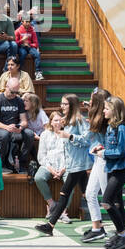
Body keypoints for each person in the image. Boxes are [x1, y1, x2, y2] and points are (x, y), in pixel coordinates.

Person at [36, 94, 93, 234]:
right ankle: (50, 226)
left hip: (78, 164)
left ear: (72, 105)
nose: (62, 106)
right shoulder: (68, 121)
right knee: (84, 194)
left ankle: (101, 226)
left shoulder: (79, 121)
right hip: (73, 163)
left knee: (67, 194)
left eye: (65, 104)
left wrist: (69, 136)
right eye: (61, 104)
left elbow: (86, 140)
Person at [99, 96, 125, 249]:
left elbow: (122, 151)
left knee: (106, 201)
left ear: (114, 110)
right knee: (118, 203)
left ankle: (123, 234)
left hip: (120, 169)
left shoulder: (121, 128)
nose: (103, 111)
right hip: (111, 168)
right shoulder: (110, 127)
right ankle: (121, 236)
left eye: (106, 108)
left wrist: (105, 153)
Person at [82, 88, 110, 237]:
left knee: (108, 197)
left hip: (104, 159)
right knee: (90, 193)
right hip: (98, 159)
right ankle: (97, 227)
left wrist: (69, 136)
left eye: (92, 99)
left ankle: (121, 231)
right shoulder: (99, 116)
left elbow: (87, 136)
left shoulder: (103, 119)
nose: (89, 101)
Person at [0, 78, 29, 173]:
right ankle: (1, 164)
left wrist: (20, 126)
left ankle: (22, 163)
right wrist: (6, 127)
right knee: (4, 135)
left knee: (29, 134)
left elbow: (24, 121)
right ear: (6, 87)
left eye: (16, 92)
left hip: (14, 129)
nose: (14, 95)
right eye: (12, 92)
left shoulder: (19, 101)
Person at [34, 110, 68, 215]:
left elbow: (70, 156)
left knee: (70, 181)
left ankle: (63, 212)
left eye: (60, 120)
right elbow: (42, 156)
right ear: (51, 122)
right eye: (55, 120)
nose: (58, 123)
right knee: (38, 177)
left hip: (65, 166)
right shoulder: (44, 135)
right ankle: (51, 204)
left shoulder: (67, 134)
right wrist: (52, 170)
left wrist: (62, 170)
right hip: (48, 165)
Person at [14, 11, 42, 81]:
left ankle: (38, 72)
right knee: (22, 54)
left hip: (30, 47)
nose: (28, 23)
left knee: (37, 54)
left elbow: (36, 43)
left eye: (29, 22)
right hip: (21, 47)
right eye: (26, 21)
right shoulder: (18, 31)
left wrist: (29, 44)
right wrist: (22, 41)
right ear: (22, 22)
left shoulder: (32, 31)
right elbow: (15, 43)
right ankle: (19, 72)